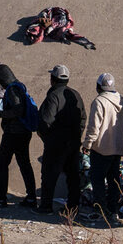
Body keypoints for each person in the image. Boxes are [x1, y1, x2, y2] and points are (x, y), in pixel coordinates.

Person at [36, 64, 87, 215]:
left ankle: (45, 207)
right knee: (73, 176)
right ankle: (73, 208)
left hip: (56, 144)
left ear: (52, 79)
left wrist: (48, 139)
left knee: (49, 175)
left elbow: (45, 121)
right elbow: (83, 118)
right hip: (73, 143)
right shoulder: (76, 95)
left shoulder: (53, 96)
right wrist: (77, 136)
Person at [0, 63, 38, 209]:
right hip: (23, 133)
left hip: (14, 133)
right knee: (24, 164)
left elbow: (18, 111)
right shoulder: (19, 85)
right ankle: (31, 198)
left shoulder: (12, 90)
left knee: (2, 163)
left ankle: (0, 198)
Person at [82, 72, 123, 218]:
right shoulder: (122, 101)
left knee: (98, 179)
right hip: (117, 147)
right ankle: (113, 209)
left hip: (101, 148)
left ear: (98, 87)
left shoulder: (99, 102)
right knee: (114, 180)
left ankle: (100, 209)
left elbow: (94, 127)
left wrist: (87, 144)